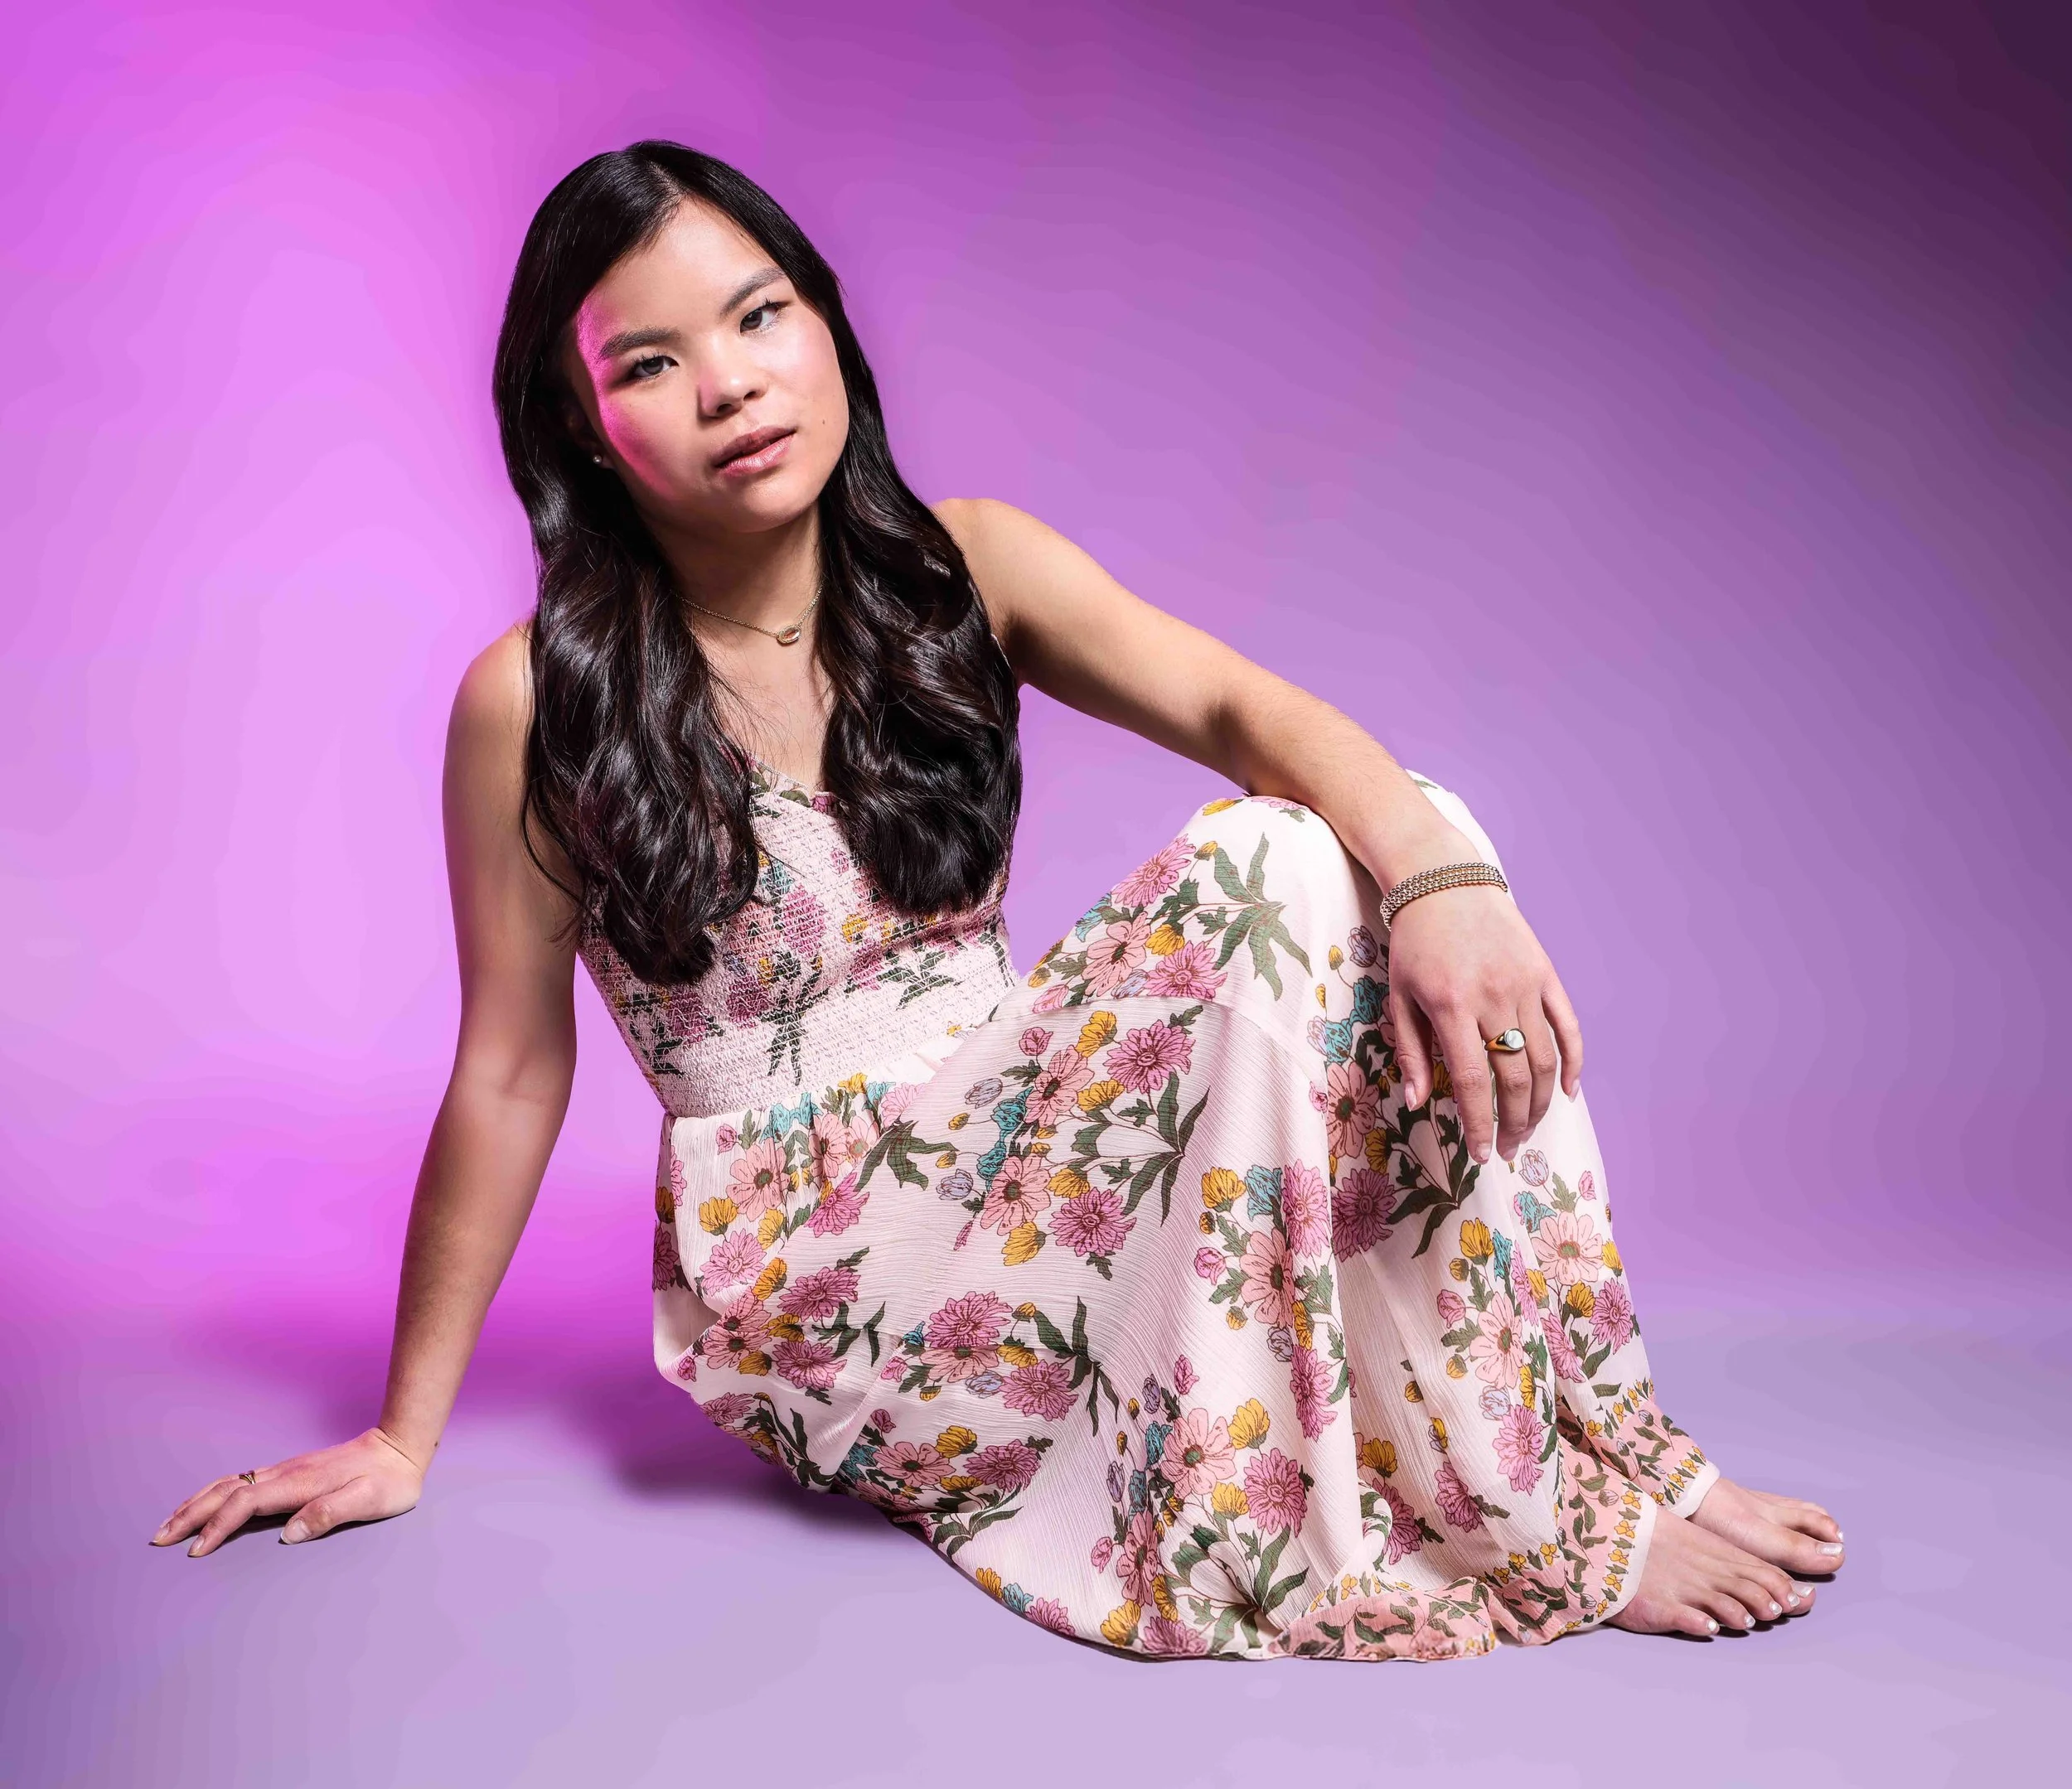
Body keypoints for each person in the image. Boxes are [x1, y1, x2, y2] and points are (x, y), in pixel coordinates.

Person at [152, 141, 1845, 1660]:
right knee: (1273, 858)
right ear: (581, 429)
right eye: (649, 365)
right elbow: (511, 1069)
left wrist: (1446, 882)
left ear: (824, 322)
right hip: (822, 1271)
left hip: (1034, 1161)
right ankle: (1536, 1512)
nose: (729, 384)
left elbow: (1258, 714)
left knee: (1398, 838)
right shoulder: (536, 694)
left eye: (757, 317)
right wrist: (399, 1432)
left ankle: (1577, 1441)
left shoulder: (960, 565)